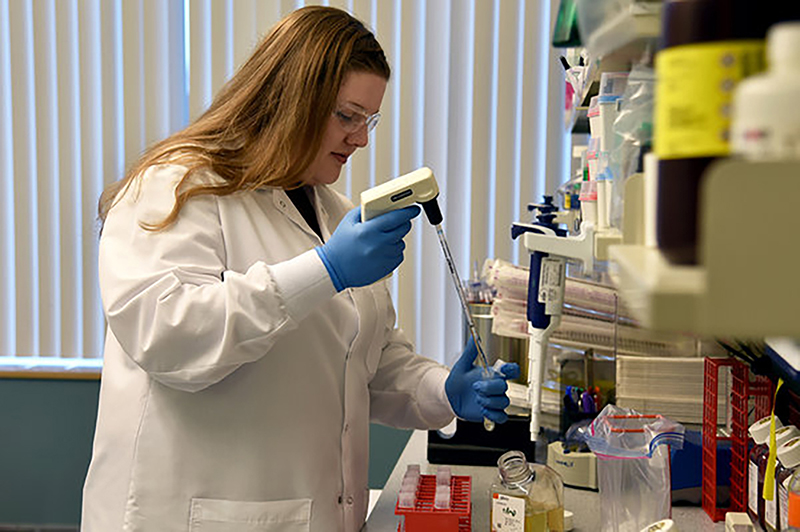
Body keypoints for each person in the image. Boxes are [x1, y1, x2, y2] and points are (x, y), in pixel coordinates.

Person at [81, 6, 518, 532]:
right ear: (289, 99)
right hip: (194, 514)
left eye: (369, 120)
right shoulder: (176, 188)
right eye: (347, 116)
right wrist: (325, 271)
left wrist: (441, 391)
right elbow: (166, 335)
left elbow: (364, 361)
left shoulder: (333, 210)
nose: (362, 138)